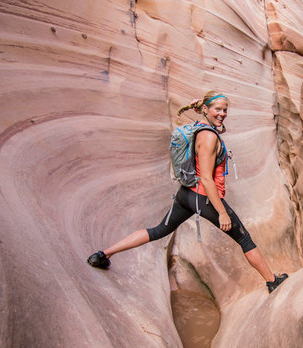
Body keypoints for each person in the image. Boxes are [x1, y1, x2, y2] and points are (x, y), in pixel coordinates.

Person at [87, 90, 288, 293]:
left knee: (158, 230)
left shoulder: (199, 128)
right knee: (244, 239)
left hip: (186, 194)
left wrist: (201, 111)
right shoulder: (209, 138)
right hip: (204, 196)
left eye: (225, 110)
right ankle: (272, 281)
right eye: (218, 109)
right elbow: (207, 179)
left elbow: (217, 129)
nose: (223, 113)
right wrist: (222, 212)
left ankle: (103, 255)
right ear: (206, 109)